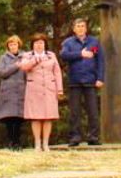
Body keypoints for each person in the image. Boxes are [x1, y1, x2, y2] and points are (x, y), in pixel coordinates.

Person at [59, 17, 104, 147]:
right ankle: (75, 137)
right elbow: (63, 55)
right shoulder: (68, 42)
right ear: (74, 29)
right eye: (78, 26)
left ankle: (93, 137)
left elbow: (100, 60)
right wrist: (80, 54)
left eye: (83, 26)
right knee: (74, 112)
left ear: (86, 28)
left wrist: (100, 78)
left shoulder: (94, 42)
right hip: (75, 80)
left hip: (91, 80)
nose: (80, 28)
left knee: (93, 111)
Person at [20, 33, 63, 151]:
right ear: (33, 45)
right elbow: (24, 67)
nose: (39, 45)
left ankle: (46, 143)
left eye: (41, 43)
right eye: (36, 43)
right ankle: (37, 144)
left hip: (49, 89)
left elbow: (57, 72)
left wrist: (59, 89)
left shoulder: (51, 55)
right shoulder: (27, 55)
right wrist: (34, 60)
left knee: (48, 117)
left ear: (45, 44)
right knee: (36, 117)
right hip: (34, 90)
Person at [0, 35, 26, 151]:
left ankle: (17, 142)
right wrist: (15, 66)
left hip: (20, 91)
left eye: (15, 44)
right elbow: (2, 72)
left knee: (19, 119)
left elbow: (28, 72)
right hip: (8, 91)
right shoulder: (3, 58)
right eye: (11, 44)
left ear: (19, 45)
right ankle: (10, 142)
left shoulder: (25, 57)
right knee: (9, 118)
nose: (13, 46)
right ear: (8, 46)